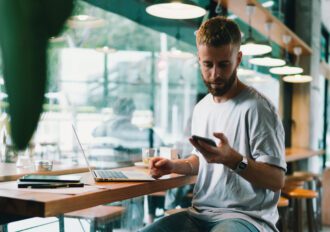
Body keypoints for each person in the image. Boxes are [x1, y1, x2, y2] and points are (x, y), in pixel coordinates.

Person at [140, 16, 286, 232]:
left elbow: (276, 180)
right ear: (199, 59)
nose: (215, 74)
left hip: (247, 218)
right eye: (208, 64)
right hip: (200, 215)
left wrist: (235, 160)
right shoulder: (202, 108)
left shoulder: (258, 108)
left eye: (223, 64)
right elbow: (200, 161)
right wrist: (174, 166)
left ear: (238, 59)